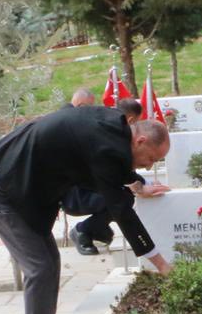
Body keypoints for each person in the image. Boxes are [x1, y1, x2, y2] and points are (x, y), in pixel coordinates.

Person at [0, 106, 173, 314]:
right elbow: (121, 210)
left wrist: (140, 185)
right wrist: (161, 264)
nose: (149, 166)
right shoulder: (109, 146)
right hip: (2, 189)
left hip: (17, 184)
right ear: (140, 140)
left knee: (49, 264)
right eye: (152, 159)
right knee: (40, 268)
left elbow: (116, 170)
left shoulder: (115, 128)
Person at [69, 98, 168, 255]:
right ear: (130, 120)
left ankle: (98, 230)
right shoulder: (108, 140)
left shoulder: (110, 131)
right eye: (135, 123)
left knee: (122, 197)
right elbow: (116, 179)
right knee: (122, 199)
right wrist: (140, 188)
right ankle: (83, 230)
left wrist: (143, 185)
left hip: (85, 187)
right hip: (74, 193)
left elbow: (124, 173)